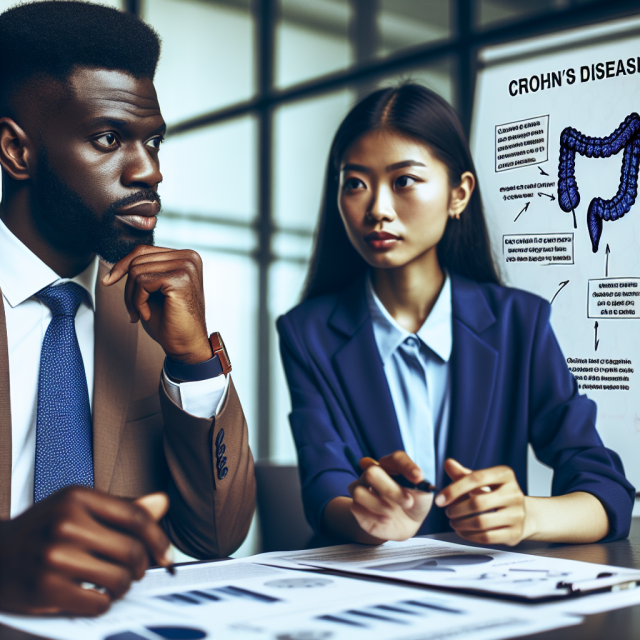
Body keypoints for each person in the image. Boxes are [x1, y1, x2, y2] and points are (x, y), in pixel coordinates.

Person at [277, 83, 634, 549]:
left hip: (492, 598)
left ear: (458, 193)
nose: (377, 210)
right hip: (370, 592)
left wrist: (526, 515)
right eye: (355, 184)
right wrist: (368, 519)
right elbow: (323, 485)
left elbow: (605, 489)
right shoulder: (307, 333)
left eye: (403, 180)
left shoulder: (519, 323)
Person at [0, 1, 255, 616]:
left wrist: (193, 360)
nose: (151, 171)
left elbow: (216, 537)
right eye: (109, 138)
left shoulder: (152, 313)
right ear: (16, 151)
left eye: (154, 140)